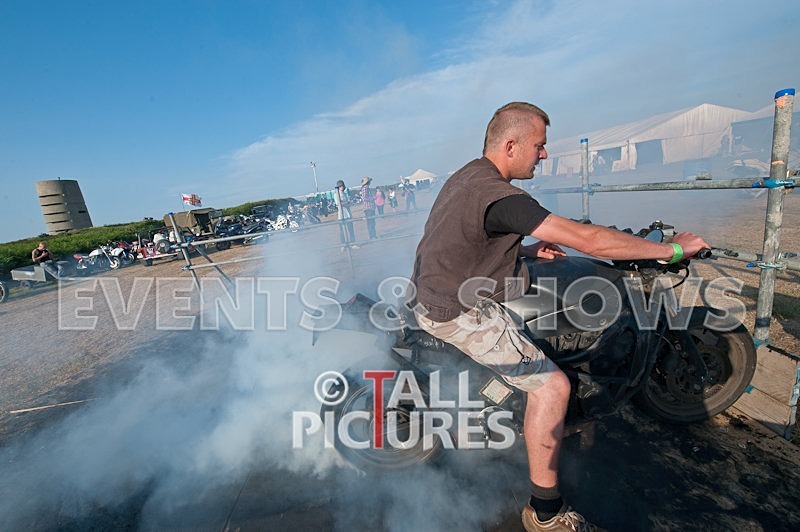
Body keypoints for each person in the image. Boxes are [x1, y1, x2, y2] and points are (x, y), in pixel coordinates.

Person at [409, 102, 709, 531]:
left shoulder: (469, 176)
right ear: (510, 145)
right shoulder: (502, 196)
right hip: (457, 309)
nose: (544, 154)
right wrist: (672, 250)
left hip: (442, 288)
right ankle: (545, 512)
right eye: (539, 145)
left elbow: (467, 235)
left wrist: (526, 250)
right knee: (552, 387)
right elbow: (591, 241)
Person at [334, 179, 356, 248]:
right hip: (341, 215)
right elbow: (338, 203)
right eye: (340, 186)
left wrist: (345, 203)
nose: (342, 187)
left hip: (348, 214)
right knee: (342, 232)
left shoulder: (346, 194)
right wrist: (345, 203)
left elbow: (349, 203)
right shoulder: (336, 195)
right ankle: (343, 245)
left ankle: (353, 244)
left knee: (351, 230)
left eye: (342, 186)